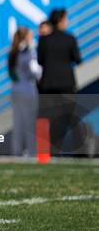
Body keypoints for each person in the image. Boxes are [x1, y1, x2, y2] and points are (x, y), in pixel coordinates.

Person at [37, 9, 82, 155]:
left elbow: (40, 61)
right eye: (66, 18)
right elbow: (77, 59)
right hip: (66, 83)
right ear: (61, 20)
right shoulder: (69, 38)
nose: (67, 21)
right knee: (71, 117)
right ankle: (81, 152)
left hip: (48, 83)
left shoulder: (44, 39)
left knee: (48, 117)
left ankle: (47, 151)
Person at [8, 27, 42, 157]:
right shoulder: (29, 52)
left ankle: (16, 151)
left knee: (17, 123)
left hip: (16, 90)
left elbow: (12, 74)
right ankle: (32, 151)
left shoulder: (12, 52)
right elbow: (35, 72)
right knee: (30, 123)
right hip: (28, 90)